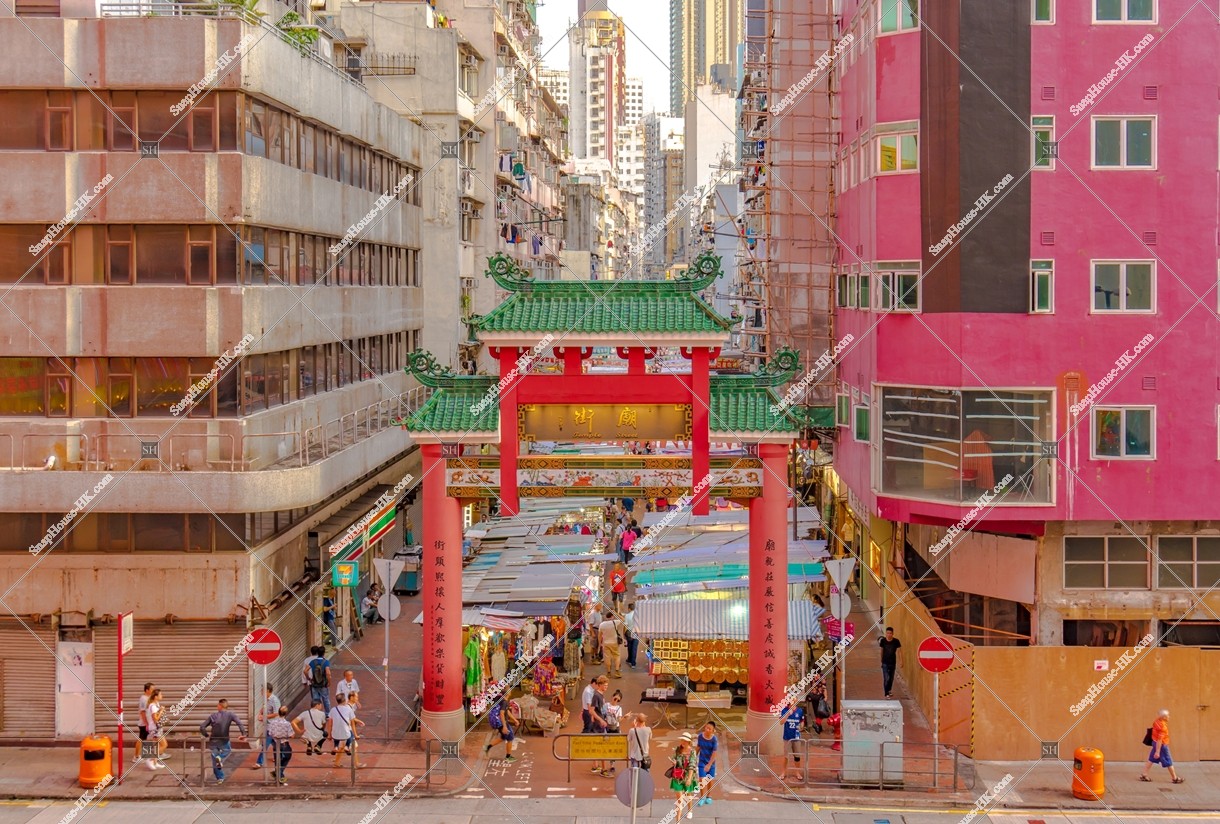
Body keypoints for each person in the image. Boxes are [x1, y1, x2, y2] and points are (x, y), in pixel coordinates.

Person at [200, 698, 247, 784]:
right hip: (224, 739)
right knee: (227, 751)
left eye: (217, 705)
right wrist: (243, 734)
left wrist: (206, 735)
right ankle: (220, 758)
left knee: (215, 760)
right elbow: (239, 723)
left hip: (213, 740)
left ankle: (219, 778)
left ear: (220, 706)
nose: (217, 706)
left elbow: (202, 727)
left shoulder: (213, 716)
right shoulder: (231, 715)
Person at [1140, 709, 1184, 783]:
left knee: (1151, 759)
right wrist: (1158, 751)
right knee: (1168, 761)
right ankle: (1174, 778)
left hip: (1154, 742)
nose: (1169, 717)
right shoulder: (1163, 727)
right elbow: (1160, 740)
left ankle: (1144, 774)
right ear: (1164, 717)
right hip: (1161, 746)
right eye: (1168, 715)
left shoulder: (1156, 721)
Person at [327, 693, 364, 768]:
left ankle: (336, 762)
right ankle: (357, 764)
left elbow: (330, 723)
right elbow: (352, 722)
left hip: (336, 733)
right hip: (346, 732)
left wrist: (329, 734)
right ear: (344, 700)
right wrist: (356, 734)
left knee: (341, 747)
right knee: (354, 747)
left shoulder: (333, 710)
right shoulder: (348, 709)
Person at [483, 695, 520, 762]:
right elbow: (502, 713)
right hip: (501, 722)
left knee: (503, 737)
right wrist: (504, 726)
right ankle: (508, 756)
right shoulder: (504, 701)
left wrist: (514, 720)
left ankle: (487, 747)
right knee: (510, 737)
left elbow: (506, 711)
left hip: (498, 721)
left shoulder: (499, 698)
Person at [253, 683, 281, 769]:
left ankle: (259, 762)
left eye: (262, 690)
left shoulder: (274, 700)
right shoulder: (267, 699)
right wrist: (260, 713)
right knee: (275, 743)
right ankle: (279, 758)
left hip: (273, 726)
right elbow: (264, 707)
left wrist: (264, 716)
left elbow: (277, 713)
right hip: (268, 724)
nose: (261, 692)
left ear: (267, 691)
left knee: (265, 744)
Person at [670, 733, 698, 820]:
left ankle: (690, 810)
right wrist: (674, 762)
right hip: (677, 777)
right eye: (681, 740)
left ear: (688, 741)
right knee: (680, 800)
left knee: (688, 795)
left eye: (684, 740)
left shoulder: (692, 752)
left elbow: (692, 766)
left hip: (687, 777)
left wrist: (689, 779)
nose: (682, 742)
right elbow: (674, 758)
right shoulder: (678, 749)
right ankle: (678, 820)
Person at [588, 677, 612, 776]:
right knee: (603, 747)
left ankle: (595, 765)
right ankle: (603, 769)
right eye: (605, 685)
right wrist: (601, 720)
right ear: (599, 685)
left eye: (607, 685)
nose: (606, 687)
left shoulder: (600, 695)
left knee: (598, 745)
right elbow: (591, 710)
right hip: (599, 726)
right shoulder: (596, 696)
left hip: (600, 724)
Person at [267, 705, 295, 785]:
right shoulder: (287, 724)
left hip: (275, 743)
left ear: (278, 713)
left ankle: (278, 773)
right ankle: (280, 774)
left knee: (277, 758)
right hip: (284, 743)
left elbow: (270, 733)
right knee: (287, 756)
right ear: (286, 713)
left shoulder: (272, 722)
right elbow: (291, 735)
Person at [694, 721, 718, 806]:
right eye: (706, 728)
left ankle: (709, 796)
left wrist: (709, 764)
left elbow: (714, 753)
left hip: (711, 762)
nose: (707, 730)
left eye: (709, 729)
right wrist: (693, 757)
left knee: (709, 779)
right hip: (702, 761)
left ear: (713, 730)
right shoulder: (700, 736)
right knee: (701, 779)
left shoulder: (714, 739)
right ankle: (702, 797)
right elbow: (698, 747)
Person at [782, 704, 806, 780]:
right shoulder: (784, 710)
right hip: (787, 737)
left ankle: (797, 772)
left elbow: (802, 721)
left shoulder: (800, 711)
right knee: (786, 756)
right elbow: (781, 722)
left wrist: (801, 727)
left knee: (797, 756)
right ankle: (784, 772)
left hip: (796, 737)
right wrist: (788, 714)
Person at [305, 645, 332, 713]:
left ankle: (316, 713)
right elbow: (328, 673)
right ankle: (327, 714)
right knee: (325, 699)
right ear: (324, 653)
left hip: (314, 684)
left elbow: (305, 671)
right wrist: (329, 682)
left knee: (316, 699)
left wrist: (309, 678)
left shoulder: (313, 662)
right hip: (323, 684)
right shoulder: (326, 662)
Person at [145, 688, 168, 768]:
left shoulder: (156, 704)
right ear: (155, 696)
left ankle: (155, 763)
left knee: (156, 746)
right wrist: (161, 711)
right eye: (160, 694)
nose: (162, 696)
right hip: (155, 729)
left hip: (157, 728)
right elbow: (155, 719)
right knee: (164, 745)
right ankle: (150, 759)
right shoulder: (153, 706)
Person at [879, 627, 902, 699]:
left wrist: (901, 661)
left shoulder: (896, 641)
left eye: (890, 633)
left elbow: (899, 651)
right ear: (886, 633)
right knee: (886, 678)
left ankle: (889, 690)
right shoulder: (883, 641)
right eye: (887, 633)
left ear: (893, 634)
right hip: (885, 662)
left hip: (892, 662)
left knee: (891, 678)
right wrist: (881, 660)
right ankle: (886, 693)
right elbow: (881, 650)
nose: (889, 635)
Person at [599, 613, 624, 678]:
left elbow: (599, 635)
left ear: (606, 617)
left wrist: (600, 643)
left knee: (607, 657)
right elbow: (623, 619)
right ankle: (617, 671)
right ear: (612, 616)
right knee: (617, 656)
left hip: (606, 643)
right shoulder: (615, 622)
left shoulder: (602, 624)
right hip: (614, 643)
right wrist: (615, 613)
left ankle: (608, 672)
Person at [137, 682, 155, 759]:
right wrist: (146, 723)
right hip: (144, 723)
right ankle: (136, 756)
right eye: (152, 689)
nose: (153, 691)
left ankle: (148, 756)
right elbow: (142, 712)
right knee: (141, 740)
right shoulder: (143, 699)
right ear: (147, 690)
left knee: (147, 739)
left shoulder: (148, 698)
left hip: (148, 723)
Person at [624, 602, 640, 669]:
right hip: (636, 632)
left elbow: (625, 625)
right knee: (634, 648)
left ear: (629, 608)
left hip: (629, 632)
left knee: (630, 647)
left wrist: (624, 634)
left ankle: (629, 660)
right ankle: (633, 663)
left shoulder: (627, 615)